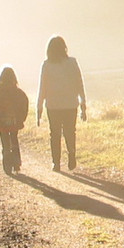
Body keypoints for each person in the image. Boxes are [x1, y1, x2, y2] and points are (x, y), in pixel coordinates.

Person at [37, 36, 86, 171]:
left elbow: (43, 87)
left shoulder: (46, 65)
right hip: (70, 104)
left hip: (53, 105)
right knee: (70, 132)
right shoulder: (72, 62)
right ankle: (71, 154)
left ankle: (56, 163)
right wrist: (83, 103)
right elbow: (79, 83)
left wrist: (39, 106)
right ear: (64, 48)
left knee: (55, 134)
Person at [0, 67, 29, 175]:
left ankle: (7, 165)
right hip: (14, 121)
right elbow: (25, 104)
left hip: (1, 121)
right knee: (14, 140)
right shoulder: (18, 92)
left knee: (5, 143)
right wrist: (22, 118)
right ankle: (16, 164)